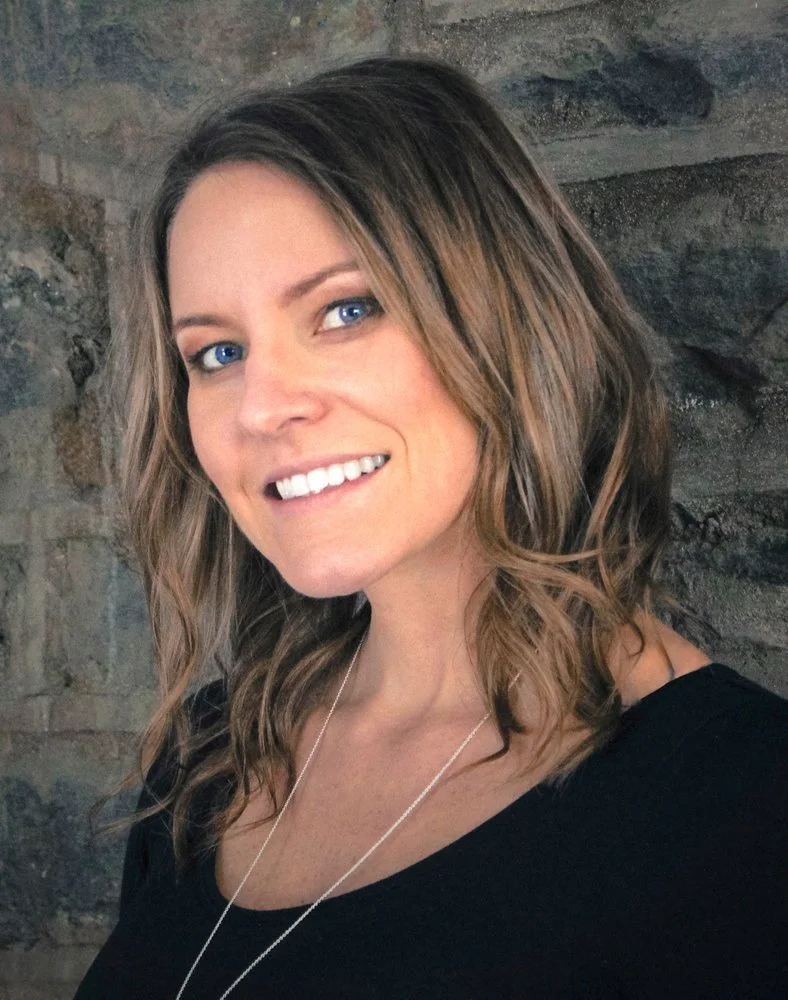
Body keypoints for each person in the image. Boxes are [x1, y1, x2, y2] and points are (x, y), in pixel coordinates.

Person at [75, 55, 787, 999]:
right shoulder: (210, 754)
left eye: (346, 310)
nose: (261, 406)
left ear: (511, 319)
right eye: (217, 353)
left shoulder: (746, 807)